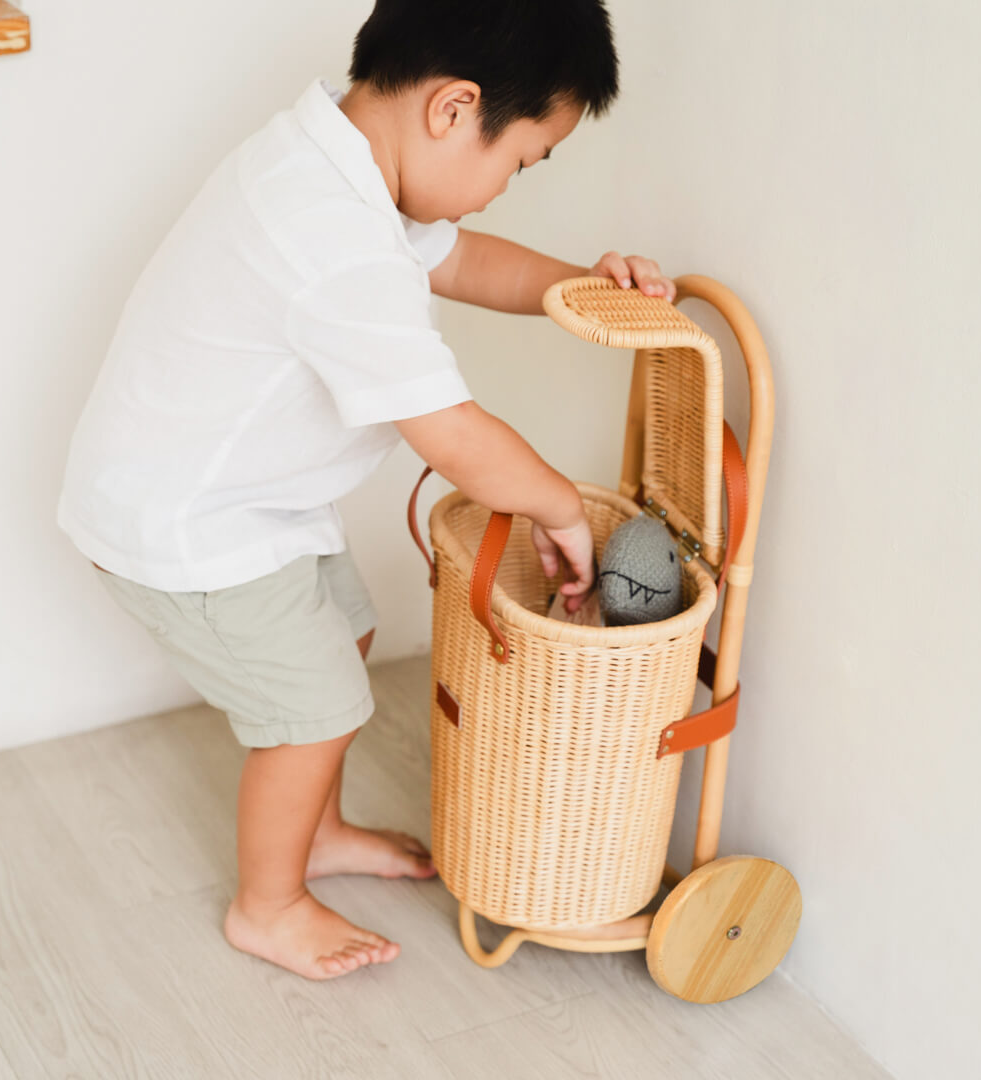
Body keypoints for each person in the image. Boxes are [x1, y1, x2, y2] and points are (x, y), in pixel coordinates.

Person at [57, 0, 677, 981]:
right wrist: (558, 505)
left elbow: (465, 261)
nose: (505, 189)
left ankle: (320, 828)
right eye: (519, 162)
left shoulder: (341, 168)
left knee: (342, 630)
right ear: (453, 108)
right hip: (185, 528)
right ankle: (267, 905)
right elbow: (454, 432)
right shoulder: (328, 235)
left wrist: (579, 286)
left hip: (243, 503)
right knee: (319, 707)